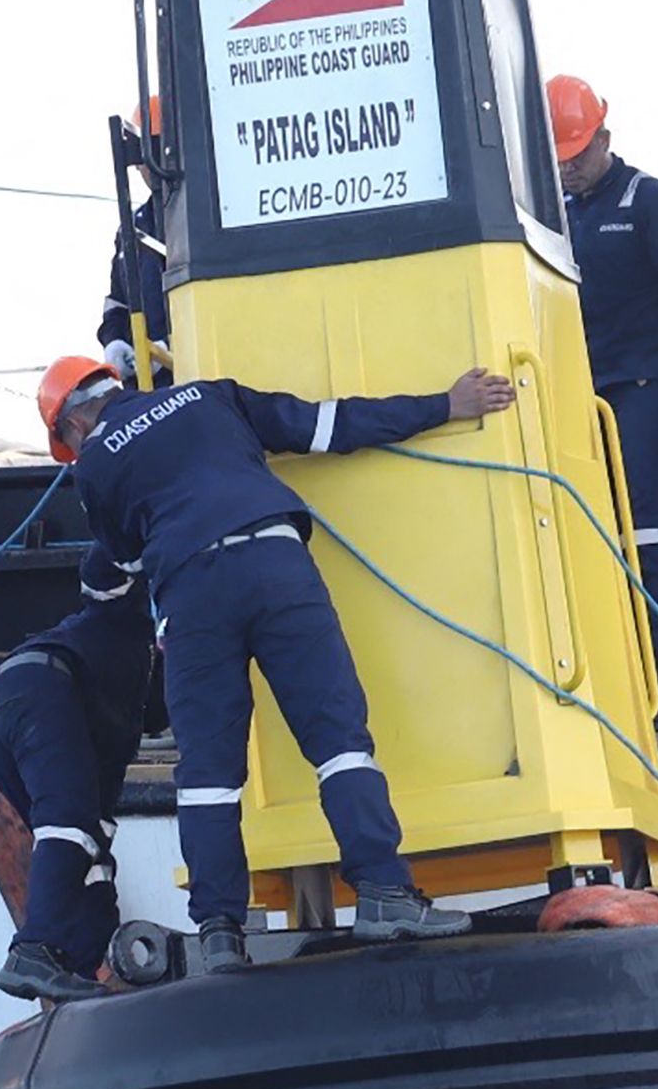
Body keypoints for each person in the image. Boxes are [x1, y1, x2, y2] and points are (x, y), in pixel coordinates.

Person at [38, 355, 515, 970]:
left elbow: (121, 561)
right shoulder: (208, 396)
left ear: (70, 430)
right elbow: (324, 425)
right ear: (115, 384)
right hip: (274, 562)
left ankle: (219, 931)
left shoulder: (95, 466)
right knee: (337, 738)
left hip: (190, 595)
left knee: (209, 771)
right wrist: (445, 405)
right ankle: (384, 894)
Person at [548, 74, 658, 731]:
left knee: (651, 532)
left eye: (577, 153)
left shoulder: (650, 202)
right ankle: (622, 676)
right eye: (558, 157)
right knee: (591, 534)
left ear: (604, 139)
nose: (568, 167)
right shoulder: (555, 215)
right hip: (583, 391)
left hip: (647, 390)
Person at [0, 545, 158, 1003]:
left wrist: (98, 952)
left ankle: (74, 964)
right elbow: (91, 820)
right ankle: (35, 950)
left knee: (69, 835)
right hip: (41, 693)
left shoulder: (102, 636)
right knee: (71, 820)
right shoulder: (133, 650)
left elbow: (95, 848)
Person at [99, 97, 174, 386]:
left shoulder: (200, 219)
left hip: (200, 374)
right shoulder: (134, 227)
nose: (143, 167)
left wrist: (171, 346)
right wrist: (114, 341)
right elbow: (116, 301)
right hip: (147, 383)